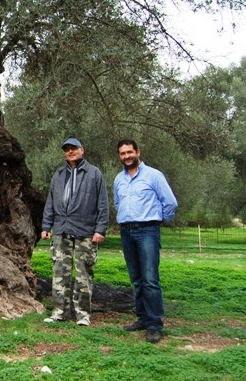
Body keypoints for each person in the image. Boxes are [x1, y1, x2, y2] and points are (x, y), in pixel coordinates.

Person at [114, 139, 178, 344]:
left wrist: (159, 221)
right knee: (137, 278)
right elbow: (118, 202)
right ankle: (142, 318)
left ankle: (154, 324)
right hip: (126, 231)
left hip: (148, 230)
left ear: (138, 152)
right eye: (122, 154)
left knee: (150, 278)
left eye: (129, 152)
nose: (126, 156)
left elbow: (170, 203)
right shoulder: (118, 179)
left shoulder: (154, 175)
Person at [41, 137, 109, 326]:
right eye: (67, 149)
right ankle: (59, 312)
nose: (70, 152)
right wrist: (46, 226)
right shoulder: (58, 175)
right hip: (61, 229)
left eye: (74, 148)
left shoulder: (94, 174)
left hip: (85, 231)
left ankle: (83, 315)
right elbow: (50, 202)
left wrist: (100, 229)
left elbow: (103, 204)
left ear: (82, 150)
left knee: (83, 274)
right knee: (59, 272)